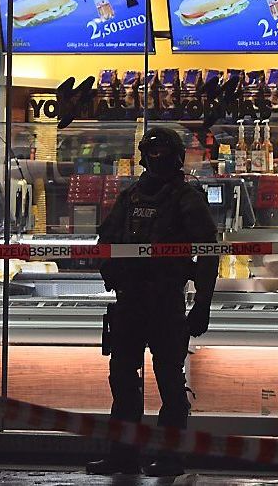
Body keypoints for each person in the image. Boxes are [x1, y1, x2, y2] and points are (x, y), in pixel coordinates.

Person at [86, 127, 218, 477]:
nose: (157, 160)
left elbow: (207, 251)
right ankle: (123, 455)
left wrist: (203, 303)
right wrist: (110, 270)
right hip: (130, 301)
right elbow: (107, 239)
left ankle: (171, 457)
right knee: (122, 380)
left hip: (165, 302)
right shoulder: (131, 196)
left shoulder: (186, 197)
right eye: (153, 152)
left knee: (170, 382)